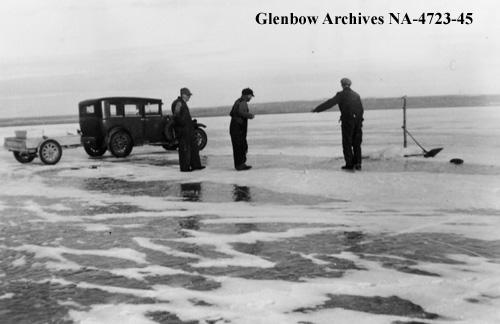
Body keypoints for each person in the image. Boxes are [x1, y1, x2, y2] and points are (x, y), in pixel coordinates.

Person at [311, 78, 364, 171]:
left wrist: (317, 109)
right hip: (357, 122)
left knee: (347, 143)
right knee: (356, 143)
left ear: (342, 85)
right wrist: (359, 121)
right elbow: (361, 109)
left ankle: (350, 164)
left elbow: (329, 103)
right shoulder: (356, 95)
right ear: (350, 85)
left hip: (347, 121)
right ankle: (358, 163)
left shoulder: (341, 95)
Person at [171, 87, 205, 172]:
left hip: (188, 128)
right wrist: (183, 124)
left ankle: (196, 165)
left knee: (194, 147)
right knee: (184, 148)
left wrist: (190, 123)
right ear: (183, 95)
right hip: (183, 130)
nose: (189, 97)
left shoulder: (183, 103)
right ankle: (185, 167)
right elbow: (176, 116)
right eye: (188, 95)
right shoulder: (178, 103)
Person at [229, 88, 255, 171]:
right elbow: (241, 112)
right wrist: (250, 115)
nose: (251, 98)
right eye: (250, 96)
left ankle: (239, 164)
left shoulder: (237, 101)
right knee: (241, 145)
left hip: (234, 126)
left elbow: (231, 113)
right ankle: (241, 165)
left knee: (237, 146)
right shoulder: (243, 102)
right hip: (239, 127)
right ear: (247, 95)